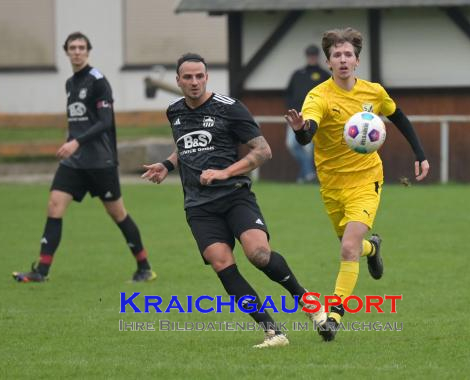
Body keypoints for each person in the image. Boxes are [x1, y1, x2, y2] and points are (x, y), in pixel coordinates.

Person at [142, 53, 326, 348]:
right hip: (199, 206)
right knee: (222, 264)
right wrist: (167, 164)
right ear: (177, 80)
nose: (194, 82)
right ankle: (273, 333)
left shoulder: (230, 109)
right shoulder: (174, 111)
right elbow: (186, 146)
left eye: (199, 76)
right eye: (187, 77)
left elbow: (263, 151)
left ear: (206, 77)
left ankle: (308, 301)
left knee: (259, 255)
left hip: (234, 196)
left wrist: (224, 172)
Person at [285, 27, 430, 341]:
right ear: (328, 62)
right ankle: (373, 247)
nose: (342, 59)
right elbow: (308, 131)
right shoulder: (319, 96)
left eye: (347, 54)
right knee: (351, 247)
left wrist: (420, 153)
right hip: (331, 184)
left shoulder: (373, 92)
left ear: (357, 60)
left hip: (366, 179)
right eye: (336, 55)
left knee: (347, 248)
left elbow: (399, 116)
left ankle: (334, 317)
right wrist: (299, 130)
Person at [12, 32, 156, 283]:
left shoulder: (98, 81)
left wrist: (76, 142)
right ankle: (41, 271)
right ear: (66, 51)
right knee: (54, 206)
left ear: (88, 51)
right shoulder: (70, 83)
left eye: (81, 47)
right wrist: (72, 143)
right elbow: (78, 122)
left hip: (101, 162)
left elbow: (104, 122)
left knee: (117, 213)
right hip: (74, 162)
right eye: (72, 47)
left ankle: (144, 268)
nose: (77, 51)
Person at [285, 44, 329, 183]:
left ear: (318, 56)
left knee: (310, 148)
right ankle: (308, 173)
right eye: (310, 55)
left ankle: (305, 176)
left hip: (314, 116)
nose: (312, 58)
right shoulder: (298, 74)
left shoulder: (324, 75)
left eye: (314, 55)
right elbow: (288, 93)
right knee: (292, 144)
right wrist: (292, 109)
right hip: (297, 116)